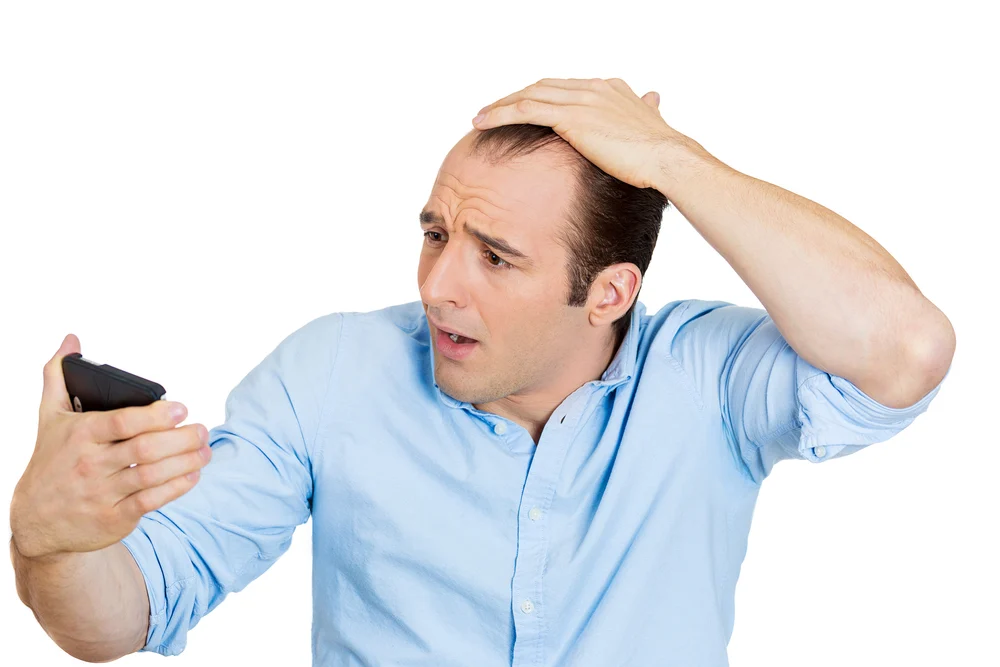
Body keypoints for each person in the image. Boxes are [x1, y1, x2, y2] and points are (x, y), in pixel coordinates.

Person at [10, 77, 955, 666]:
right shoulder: (334, 373)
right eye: (435, 233)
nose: (437, 283)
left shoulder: (706, 376)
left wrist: (674, 160)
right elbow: (120, 615)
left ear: (610, 292)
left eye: (495, 256)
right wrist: (51, 543)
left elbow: (905, 349)